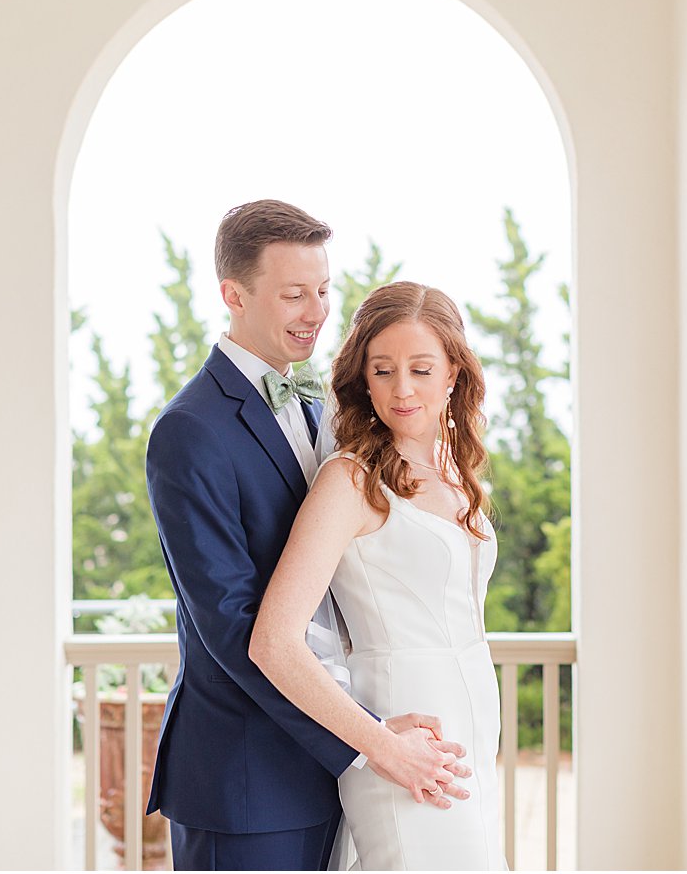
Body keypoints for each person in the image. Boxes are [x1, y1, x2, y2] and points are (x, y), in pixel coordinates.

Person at [145, 202, 470, 872]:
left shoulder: (323, 408)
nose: (316, 310)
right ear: (233, 295)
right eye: (294, 294)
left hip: (338, 770)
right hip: (247, 777)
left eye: (323, 290)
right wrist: (366, 739)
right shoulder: (189, 430)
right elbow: (232, 626)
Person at [251, 281, 506, 871]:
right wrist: (381, 747)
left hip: (471, 721)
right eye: (383, 370)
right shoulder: (349, 481)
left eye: (421, 368)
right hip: (402, 728)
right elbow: (273, 642)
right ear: (362, 379)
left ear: (454, 375)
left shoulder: (457, 472)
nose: (402, 389)